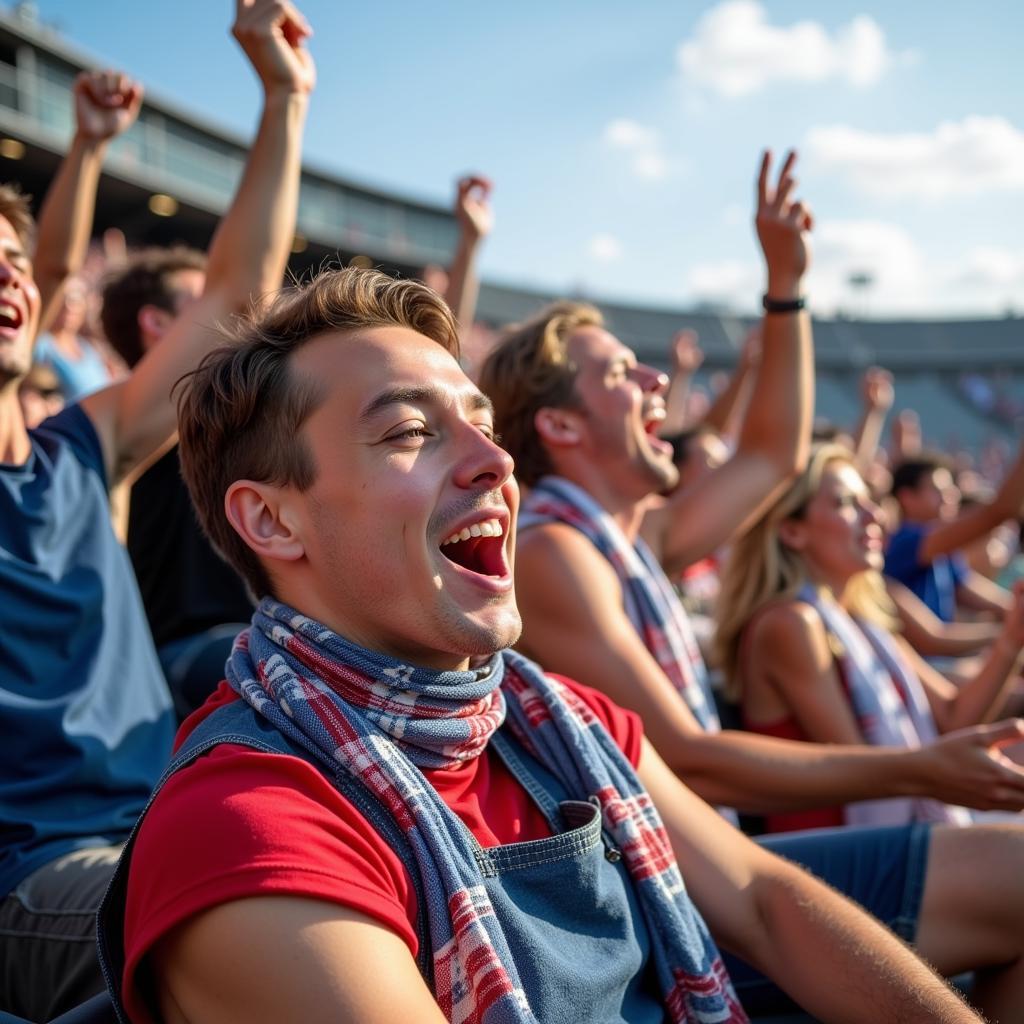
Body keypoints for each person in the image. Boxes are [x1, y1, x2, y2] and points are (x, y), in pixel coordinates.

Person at [94, 266, 984, 1024]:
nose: (495, 460)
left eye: (480, 423)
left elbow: (760, 901)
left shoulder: (558, 717)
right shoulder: (247, 824)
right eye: (410, 432)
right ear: (272, 520)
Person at [480, 151, 1024, 1020]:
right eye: (623, 374)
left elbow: (775, 452)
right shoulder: (555, 552)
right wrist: (926, 766)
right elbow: (687, 757)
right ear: (559, 425)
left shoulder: (635, 534)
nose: (658, 382)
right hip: (671, 901)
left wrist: (786, 289)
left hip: (713, 867)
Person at [0, 1, 312, 1016]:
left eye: (12, 255)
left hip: (166, 822)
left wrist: (282, 99)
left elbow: (234, 297)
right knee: (266, 927)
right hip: (42, 878)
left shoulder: (79, 452)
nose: (10, 270)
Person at [713, 443, 1024, 832]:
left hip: (881, 831)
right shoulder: (790, 624)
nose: (874, 515)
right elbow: (868, 769)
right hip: (826, 856)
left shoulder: (861, 620)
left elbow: (952, 716)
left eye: (870, 501)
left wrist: (1011, 640)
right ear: (792, 531)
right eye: (847, 503)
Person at [102, 245, 254, 719]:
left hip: (253, 637)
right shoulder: (123, 429)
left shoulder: (234, 422)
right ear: (157, 324)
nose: (229, 311)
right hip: (180, 656)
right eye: (204, 298)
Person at [886, 447, 1024, 623]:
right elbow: (999, 512)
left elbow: (993, 601)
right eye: (938, 490)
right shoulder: (904, 541)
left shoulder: (945, 552)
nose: (950, 496)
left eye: (951, 488)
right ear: (907, 497)